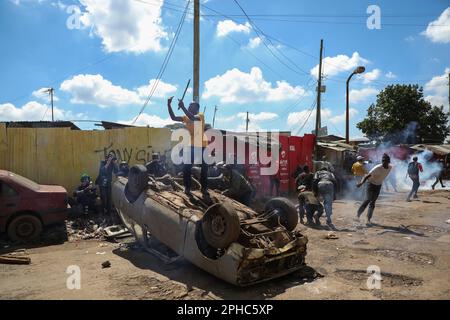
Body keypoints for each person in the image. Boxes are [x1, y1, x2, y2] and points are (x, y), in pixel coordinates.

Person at [167, 96, 208, 196]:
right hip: (192, 145)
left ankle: (204, 188)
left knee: (204, 168)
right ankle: (187, 188)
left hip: (202, 145)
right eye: (188, 106)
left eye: (191, 106)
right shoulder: (186, 117)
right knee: (186, 167)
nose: (189, 107)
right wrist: (169, 105)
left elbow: (193, 118)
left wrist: (183, 107)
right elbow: (173, 118)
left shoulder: (200, 115)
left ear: (197, 108)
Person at [355, 153, 392, 225]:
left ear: (388, 161)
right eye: (383, 160)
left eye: (385, 161)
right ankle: (357, 216)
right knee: (367, 200)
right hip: (370, 184)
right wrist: (361, 183)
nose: (384, 162)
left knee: (373, 202)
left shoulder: (390, 167)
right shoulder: (377, 167)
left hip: (378, 185)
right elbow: (366, 176)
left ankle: (368, 219)